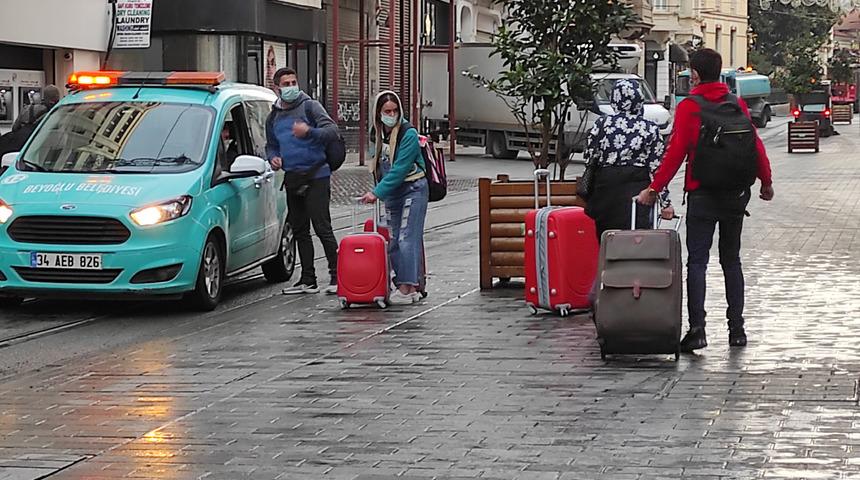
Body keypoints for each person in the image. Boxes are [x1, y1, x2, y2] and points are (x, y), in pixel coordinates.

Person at [637, 48, 774, 352]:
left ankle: (697, 330)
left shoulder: (690, 107)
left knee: (697, 262)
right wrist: (766, 182)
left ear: (695, 74)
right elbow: (756, 144)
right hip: (735, 196)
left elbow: (675, 153)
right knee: (731, 260)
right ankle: (737, 330)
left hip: (702, 194)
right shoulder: (735, 103)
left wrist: (654, 189)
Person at [266, 67, 340, 295]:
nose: (291, 87)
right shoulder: (274, 116)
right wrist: (273, 158)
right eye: (286, 84)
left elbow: (332, 130)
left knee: (322, 226)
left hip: (317, 174)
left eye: (293, 82)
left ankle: (338, 275)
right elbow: (271, 144)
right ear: (276, 88)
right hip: (292, 176)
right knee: (299, 229)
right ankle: (308, 279)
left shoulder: (310, 106)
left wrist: (309, 131)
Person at [580, 79, 673, 243]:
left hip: (606, 191)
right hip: (637, 193)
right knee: (635, 241)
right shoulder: (649, 128)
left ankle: (608, 267)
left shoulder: (602, 124)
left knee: (607, 240)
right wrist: (665, 202)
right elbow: (656, 168)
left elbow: (589, 156)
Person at [360, 91, 428, 305]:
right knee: (394, 239)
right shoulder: (378, 133)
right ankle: (406, 284)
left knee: (406, 237)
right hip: (393, 193)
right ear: (378, 114)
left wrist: (377, 192)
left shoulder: (408, 134)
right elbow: (378, 163)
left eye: (395, 111)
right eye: (387, 111)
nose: (392, 115)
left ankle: (408, 287)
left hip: (413, 188)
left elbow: (399, 169)